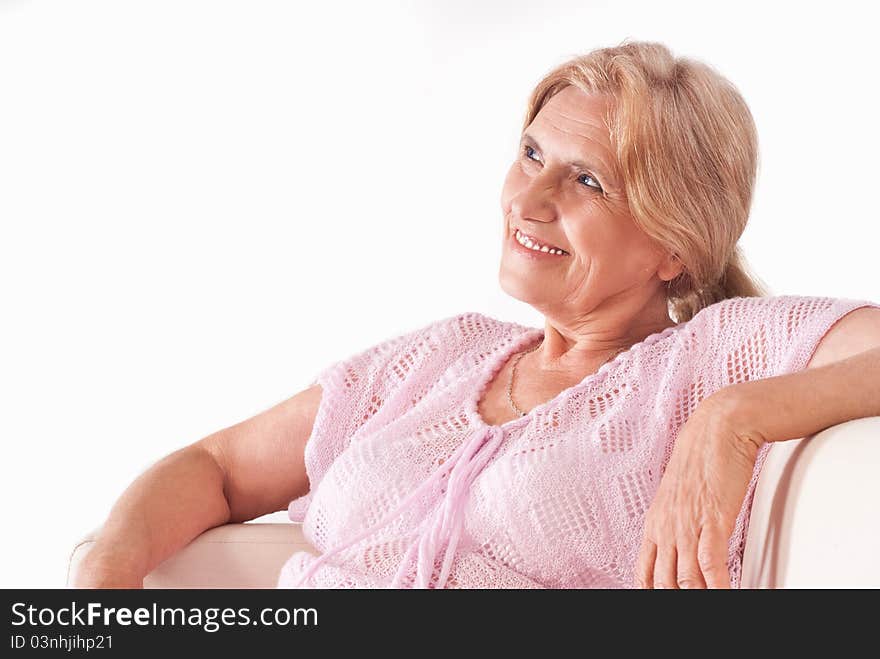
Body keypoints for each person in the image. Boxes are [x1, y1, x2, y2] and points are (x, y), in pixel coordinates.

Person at [74, 40, 880, 589]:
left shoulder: (707, 360)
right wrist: (97, 591)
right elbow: (215, 467)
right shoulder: (439, 355)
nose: (528, 200)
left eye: (586, 181)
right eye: (531, 154)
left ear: (673, 247)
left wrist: (734, 417)